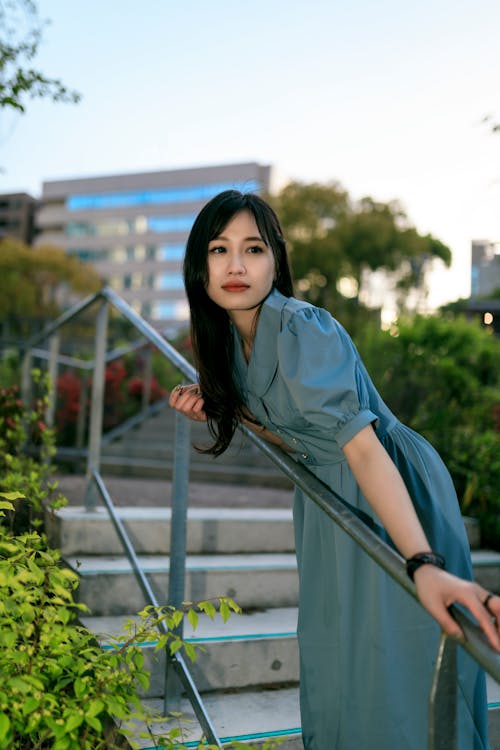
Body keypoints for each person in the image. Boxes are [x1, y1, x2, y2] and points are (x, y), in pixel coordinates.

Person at [169, 190, 499, 750]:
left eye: (253, 248)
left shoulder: (303, 328)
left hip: (386, 486)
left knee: (397, 666)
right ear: (199, 264)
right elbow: (301, 436)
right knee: (339, 657)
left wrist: (422, 562)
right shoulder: (227, 342)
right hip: (329, 499)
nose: (236, 265)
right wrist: (223, 407)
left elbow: (361, 447)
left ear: (276, 261)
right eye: (219, 249)